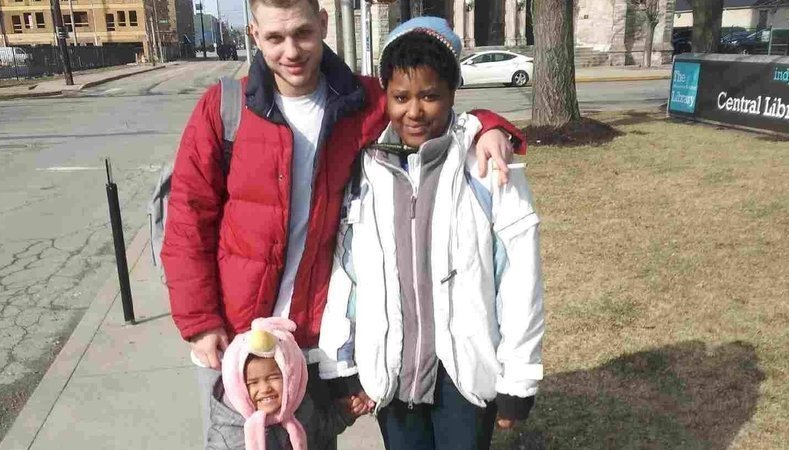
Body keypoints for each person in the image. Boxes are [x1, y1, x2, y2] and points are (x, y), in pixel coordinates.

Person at [160, 0, 527, 445]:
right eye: (275, 37)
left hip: (311, 342)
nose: (291, 51)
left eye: (302, 33)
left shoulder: (362, 103)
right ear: (254, 34)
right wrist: (201, 322)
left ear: (323, 24)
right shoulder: (224, 109)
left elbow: (428, 105)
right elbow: (187, 219)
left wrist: (489, 126)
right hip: (238, 341)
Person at [317, 17, 545, 450]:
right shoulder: (367, 168)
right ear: (386, 94)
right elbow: (347, 273)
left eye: (430, 96)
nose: (414, 111)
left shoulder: (487, 166)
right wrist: (340, 360)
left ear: (453, 92)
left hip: (463, 376)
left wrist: (519, 376)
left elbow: (520, 278)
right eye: (401, 97)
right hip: (392, 373)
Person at [208, 317, 357, 449]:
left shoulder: (300, 408)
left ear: (289, 377)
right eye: (253, 382)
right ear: (238, 388)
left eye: (273, 377)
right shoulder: (228, 432)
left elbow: (320, 429)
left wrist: (345, 413)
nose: (265, 388)